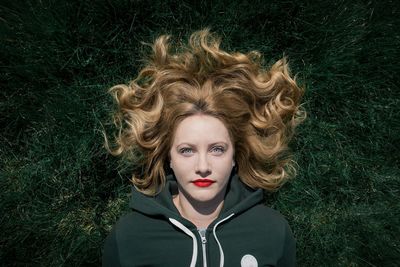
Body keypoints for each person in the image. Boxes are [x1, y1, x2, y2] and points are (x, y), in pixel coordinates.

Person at [102, 28, 305, 267]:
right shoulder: (128, 236)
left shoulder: (273, 230)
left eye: (217, 149)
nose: (203, 167)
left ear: (235, 156)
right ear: (168, 157)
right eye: (187, 150)